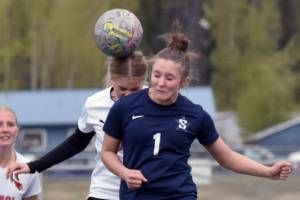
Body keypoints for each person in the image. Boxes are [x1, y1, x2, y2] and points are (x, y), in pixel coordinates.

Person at [101, 32, 292, 200]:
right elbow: (107, 152)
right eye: (157, 75)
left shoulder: (195, 115)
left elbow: (227, 158)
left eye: (169, 78)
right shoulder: (125, 106)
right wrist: (125, 173)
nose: (160, 83)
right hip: (136, 197)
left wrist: (268, 171)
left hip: (180, 195)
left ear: (183, 81)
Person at [6, 51, 148, 200]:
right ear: (112, 79)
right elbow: (76, 143)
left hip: (145, 191)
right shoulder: (95, 104)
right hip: (104, 191)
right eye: (122, 89)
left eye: (134, 90)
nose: (128, 96)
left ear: (143, 82)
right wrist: (33, 166)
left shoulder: (154, 102)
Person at [0, 106, 41, 200]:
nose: (5, 129)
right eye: (0, 124)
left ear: (17, 130)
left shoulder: (27, 168)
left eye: (10, 124)